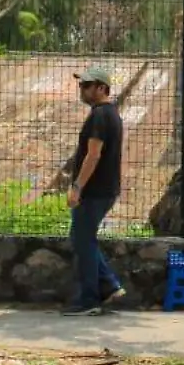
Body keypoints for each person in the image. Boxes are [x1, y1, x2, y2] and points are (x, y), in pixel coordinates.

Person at [62, 64, 126, 317]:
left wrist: (77, 186)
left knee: (81, 239)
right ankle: (109, 285)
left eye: (87, 85)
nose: (82, 89)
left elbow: (93, 154)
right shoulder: (110, 114)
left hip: (95, 190)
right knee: (82, 238)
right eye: (81, 84)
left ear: (102, 88)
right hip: (104, 189)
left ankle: (89, 299)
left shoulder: (100, 115)